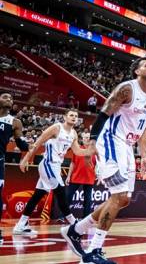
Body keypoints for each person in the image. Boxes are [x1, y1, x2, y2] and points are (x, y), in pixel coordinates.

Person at [62, 57, 146, 264]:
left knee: (123, 200)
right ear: (136, 71)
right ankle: (92, 252)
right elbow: (104, 113)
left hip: (127, 147)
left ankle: (75, 230)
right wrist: (93, 143)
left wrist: (145, 155)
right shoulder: (127, 89)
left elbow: (143, 128)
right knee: (119, 195)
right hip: (111, 140)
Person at [13, 109, 92, 235]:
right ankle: (74, 225)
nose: (74, 117)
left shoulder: (74, 133)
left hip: (56, 166)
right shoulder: (56, 128)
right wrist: (26, 158)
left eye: (76, 116)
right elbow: (38, 143)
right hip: (48, 164)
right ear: (65, 117)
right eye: (71, 115)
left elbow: (77, 152)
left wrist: (90, 151)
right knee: (61, 193)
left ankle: (20, 225)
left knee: (37, 195)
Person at [0, 93, 28, 241]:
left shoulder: (15, 122)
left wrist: (32, 145)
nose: (9, 100)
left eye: (11, 98)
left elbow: (22, 145)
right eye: (5, 97)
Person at [66, 130, 97, 217]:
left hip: (89, 178)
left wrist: (98, 174)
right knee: (68, 197)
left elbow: (98, 164)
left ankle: (86, 217)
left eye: (88, 137)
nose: (87, 139)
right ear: (82, 139)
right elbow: (73, 163)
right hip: (76, 177)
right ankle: (63, 216)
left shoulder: (94, 150)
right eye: (85, 137)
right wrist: (68, 176)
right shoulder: (77, 150)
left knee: (88, 200)